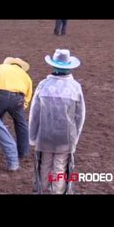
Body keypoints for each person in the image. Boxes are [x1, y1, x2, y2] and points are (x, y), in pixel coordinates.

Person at [29, 49, 85, 194]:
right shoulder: (75, 87)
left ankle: (43, 190)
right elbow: (80, 116)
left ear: (53, 65)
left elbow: (34, 113)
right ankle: (57, 192)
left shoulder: (43, 85)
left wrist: (32, 136)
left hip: (45, 134)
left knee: (45, 164)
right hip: (66, 136)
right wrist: (75, 138)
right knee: (60, 166)